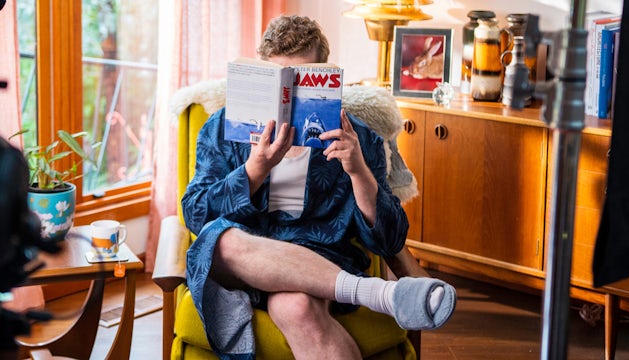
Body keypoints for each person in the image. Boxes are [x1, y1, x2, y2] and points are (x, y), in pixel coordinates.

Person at [182, 14, 456, 359]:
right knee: (222, 241)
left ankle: (372, 292)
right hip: (241, 258)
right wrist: (255, 169)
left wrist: (359, 172)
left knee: (296, 306)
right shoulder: (222, 126)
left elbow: (389, 238)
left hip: (318, 262)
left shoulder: (357, 138)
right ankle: (375, 293)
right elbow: (194, 213)